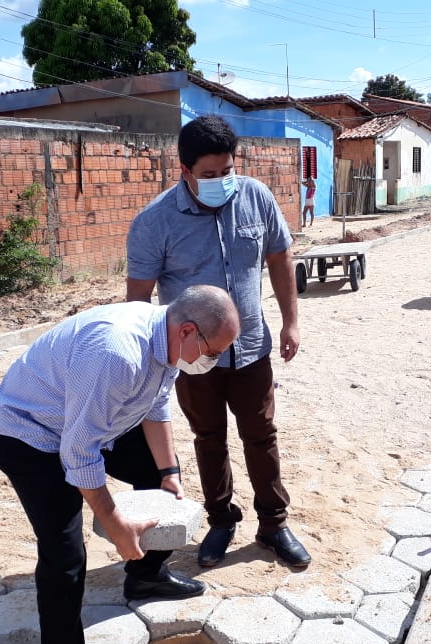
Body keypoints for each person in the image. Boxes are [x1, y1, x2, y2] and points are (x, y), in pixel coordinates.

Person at [0, 285, 239, 644]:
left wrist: (167, 469)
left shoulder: (168, 344)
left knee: (153, 474)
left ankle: (147, 576)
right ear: (187, 330)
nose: (212, 361)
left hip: (87, 425)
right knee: (66, 556)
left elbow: (156, 404)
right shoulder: (116, 352)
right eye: (213, 351)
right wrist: (116, 525)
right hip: (30, 435)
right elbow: (79, 453)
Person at [126, 114, 312, 572]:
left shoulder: (256, 197)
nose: (222, 181)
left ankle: (273, 525)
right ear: (184, 170)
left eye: (227, 171)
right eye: (210, 175)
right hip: (192, 361)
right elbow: (137, 300)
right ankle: (221, 520)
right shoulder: (154, 223)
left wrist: (291, 322)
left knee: (261, 435)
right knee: (208, 439)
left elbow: (279, 255)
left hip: (251, 348)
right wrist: (150, 361)